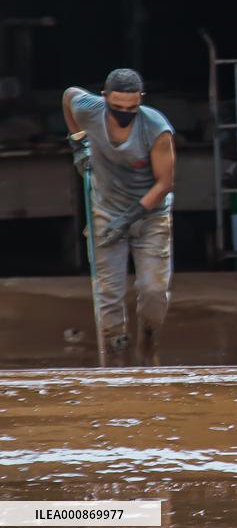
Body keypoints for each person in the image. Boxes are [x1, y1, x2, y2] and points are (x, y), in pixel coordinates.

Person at [62, 69, 175, 365]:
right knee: (109, 293)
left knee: (153, 290)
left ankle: (149, 336)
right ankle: (116, 354)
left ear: (140, 101)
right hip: (105, 210)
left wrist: (129, 218)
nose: (124, 113)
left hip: (150, 216)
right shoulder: (90, 109)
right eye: (117, 107)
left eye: (131, 108)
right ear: (104, 98)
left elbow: (164, 183)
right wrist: (78, 144)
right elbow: (68, 96)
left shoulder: (156, 128)